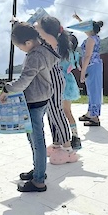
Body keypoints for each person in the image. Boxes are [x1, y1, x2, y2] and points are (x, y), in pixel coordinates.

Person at [0, 21, 59, 192]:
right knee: (33, 138)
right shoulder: (44, 49)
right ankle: (38, 169)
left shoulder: (35, 56)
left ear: (28, 43)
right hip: (42, 99)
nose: (20, 50)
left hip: (35, 102)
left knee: (37, 140)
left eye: (19, 48)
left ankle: (39, 180)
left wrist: (7, 88)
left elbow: (24, 80)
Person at [34, 16, 79, 163]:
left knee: (57, 114)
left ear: (47, 31)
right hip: (49, 83)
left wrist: (35, 28)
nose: (36, 28)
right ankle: (57, 143)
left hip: (55, 83)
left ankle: (68, 148)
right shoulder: (49, 42)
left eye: (39, 27)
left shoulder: (54, 43)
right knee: (51, 115)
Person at [72, 13, 104, 127]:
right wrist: (79, 19)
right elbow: (85, 28)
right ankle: (90, 113)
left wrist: (82, 72)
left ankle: (94, 117)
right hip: (95, 65)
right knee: (92, 90)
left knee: (94, 91)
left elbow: (87, 56)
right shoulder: (94, 37)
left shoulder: (91, 39)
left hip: (92, 65)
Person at [61, 34, 82, 149]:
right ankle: (75, 136)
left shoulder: (63, 54)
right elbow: (75, 67)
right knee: (68, 111)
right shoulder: (74, 54)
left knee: (64, 112)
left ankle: (71, 138)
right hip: (70, 81)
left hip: (62, 81)